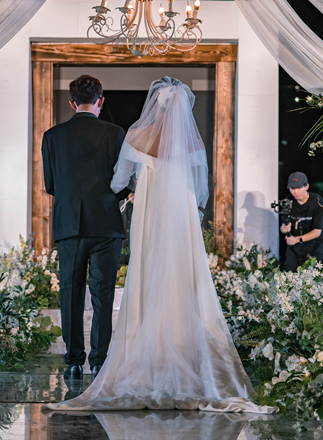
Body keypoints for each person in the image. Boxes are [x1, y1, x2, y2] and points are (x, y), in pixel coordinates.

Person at [47, 77, 274, 414]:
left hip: (129, 218)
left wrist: (132, 187)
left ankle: (80, 359)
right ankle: (135, 355)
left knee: (92, 287)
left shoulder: (129, 136)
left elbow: (107, 181)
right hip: (175, 221)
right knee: (164, 283)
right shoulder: (187, 142)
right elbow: (200, 191)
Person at [41, 75, 133, 382]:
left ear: (71, 102)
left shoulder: (52, 136)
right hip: (106, 224)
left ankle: (73, 362)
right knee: (103, 295)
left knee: (70, 294)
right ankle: (100, 362)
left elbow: (50, 184)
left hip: (69, 224)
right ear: (101, 101)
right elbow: (121, 182)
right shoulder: (115, 133)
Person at [280, 172, 323, 272]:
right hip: (294, 250)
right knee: (291, 277)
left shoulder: (317, 201)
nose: (295, 192)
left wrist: (297, 239)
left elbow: (317, 231)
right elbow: (283, 226)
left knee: (311, 278)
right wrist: (284, 229)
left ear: (306, 186)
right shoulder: (287, 201)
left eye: (299, 188)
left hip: (314, 249)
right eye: (292, 188)